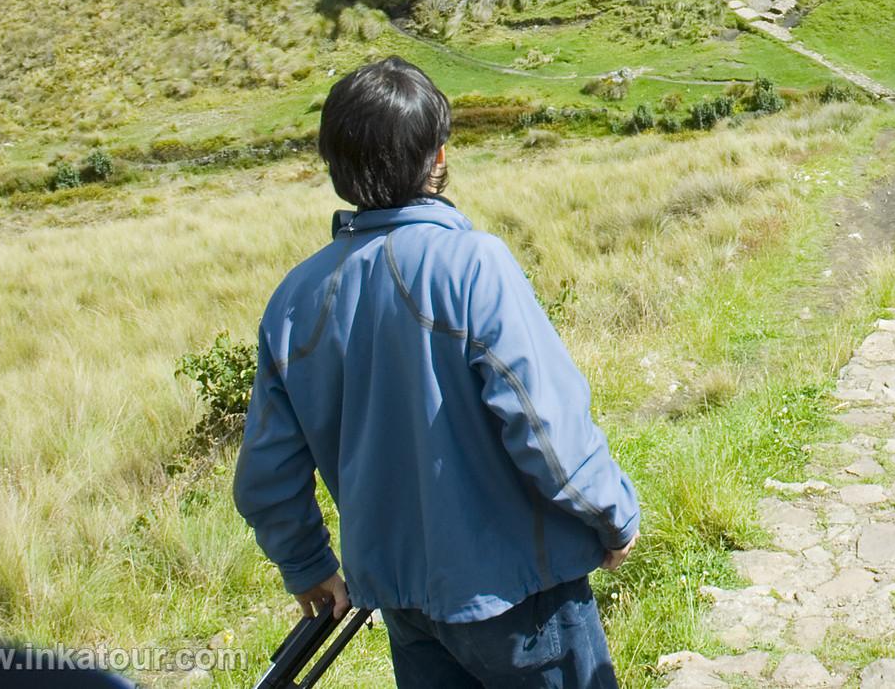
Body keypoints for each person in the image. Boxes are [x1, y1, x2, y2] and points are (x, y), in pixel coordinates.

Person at [234, 57, 640, 689]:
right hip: (522, 596)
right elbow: (543, 425)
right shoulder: (473, 265)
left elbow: (265, 478)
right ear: (439, 156)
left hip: (404, 606)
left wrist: (308, 564)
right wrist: (612, 515)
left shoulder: (293, 300)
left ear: (335, 167)